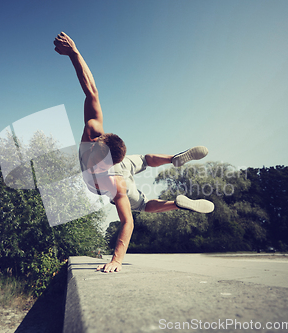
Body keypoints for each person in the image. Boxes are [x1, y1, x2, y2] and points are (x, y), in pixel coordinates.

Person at [54, 32, 214, 273]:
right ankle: (173, 163)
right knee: (146, 162)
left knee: (142, 206)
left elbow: (127, 222)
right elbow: (91, 90)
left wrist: (116, 259)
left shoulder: (112, 179)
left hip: (116, 178)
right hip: (124, 164)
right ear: (100, 139)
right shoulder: (93, 130)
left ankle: (176, 195)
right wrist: (74, 53)